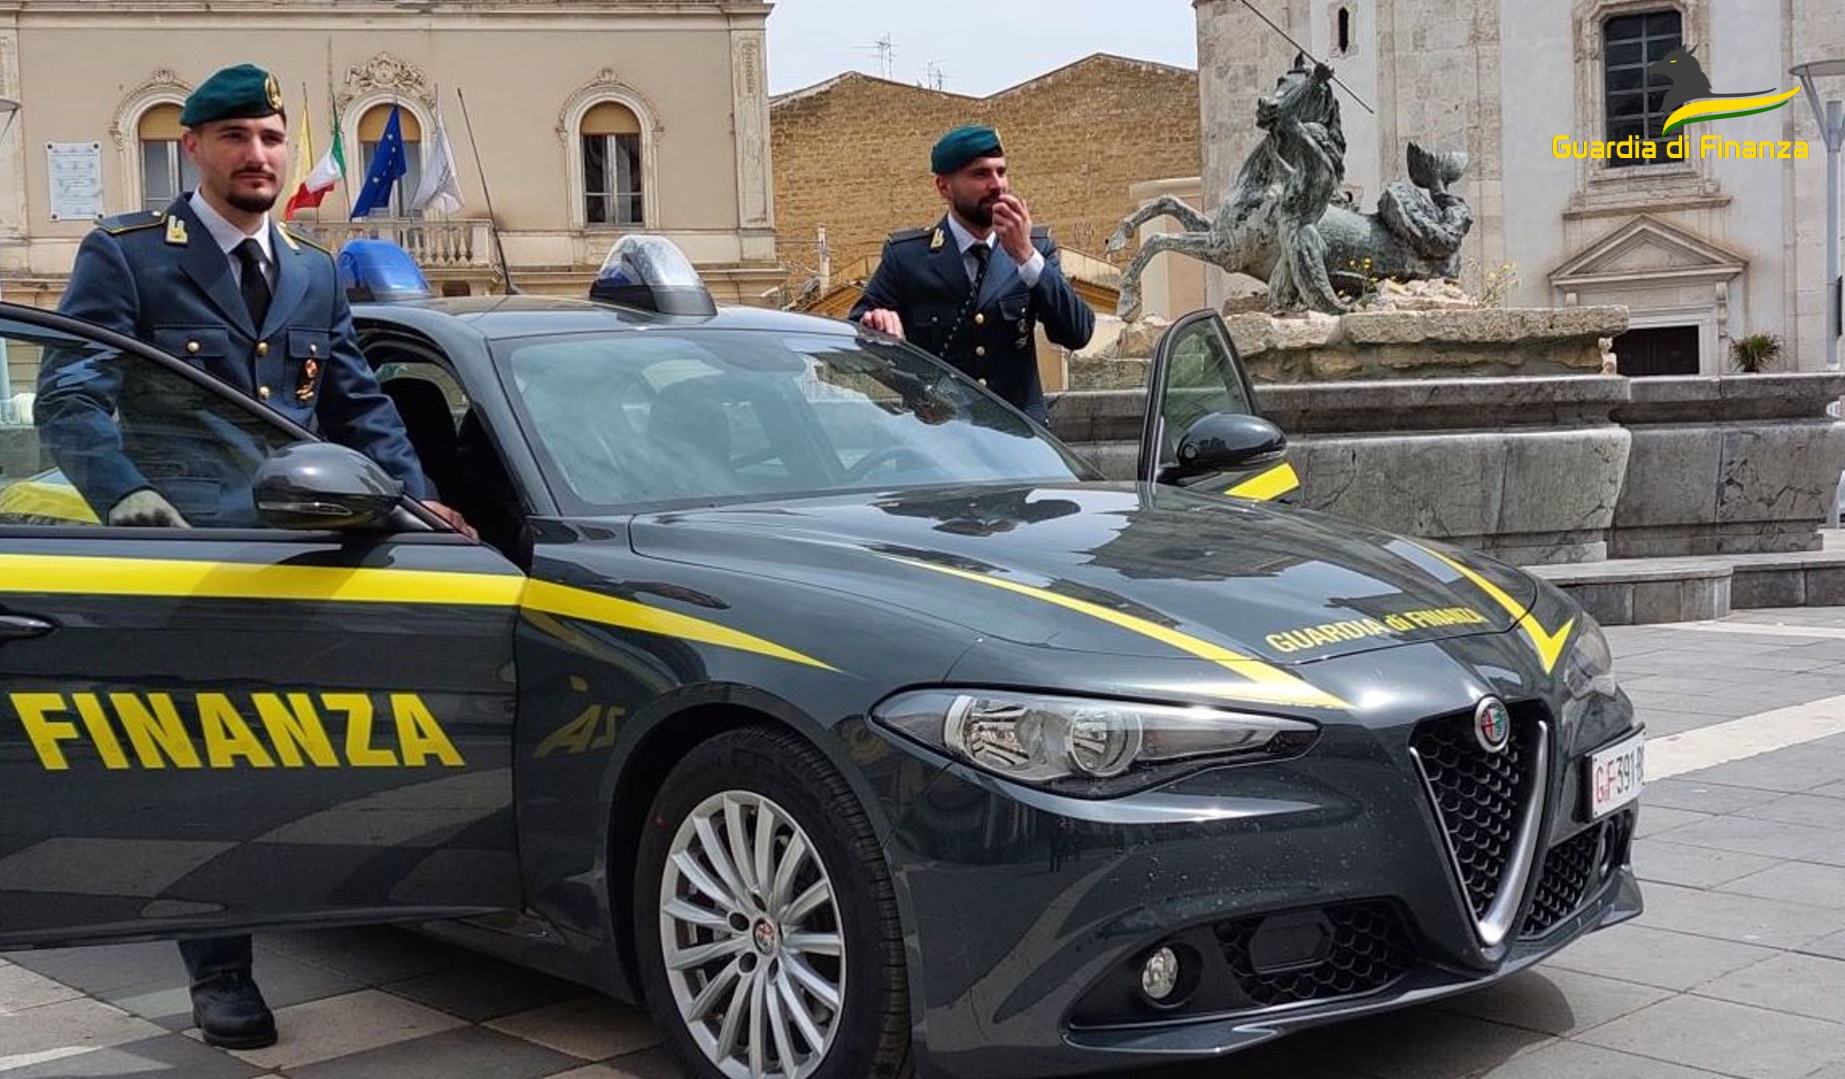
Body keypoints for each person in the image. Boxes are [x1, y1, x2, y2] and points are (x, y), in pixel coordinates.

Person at [35, 62, 471, 1050]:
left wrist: (415, 503)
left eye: (272, 136)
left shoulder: (315, 270)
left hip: (312, 550)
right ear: (192, 147)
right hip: (195, 558)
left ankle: (347, 900)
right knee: (211, 769)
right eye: (235, 136)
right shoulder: (130, 256)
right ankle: (220, 968)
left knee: (318, 749)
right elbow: (70, 396)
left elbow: (358, 404)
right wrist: (129, 497)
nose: (258, 155)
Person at [850, 124, 1094, 427]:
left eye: (1001, 172)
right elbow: (855, 340)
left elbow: (1077, 332)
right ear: (944, 187)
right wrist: (880, 332)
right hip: (938, 439)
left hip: (1019, 439)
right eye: (980, 174)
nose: (997, 185)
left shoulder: (1036, 249)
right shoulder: (907, 257)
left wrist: (1026, 256)